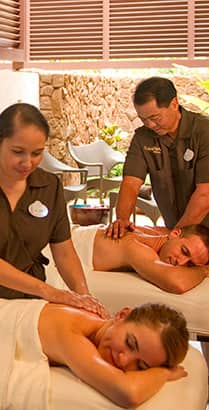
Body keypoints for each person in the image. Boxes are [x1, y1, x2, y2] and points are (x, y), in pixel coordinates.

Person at [0, 102, 107, 318]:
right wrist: (52, 293)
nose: (27, 163)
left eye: (37, 153)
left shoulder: (49, 186)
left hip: (29, 299)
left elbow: (64, 251)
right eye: (18, 152)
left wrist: (85, 299)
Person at [107, 76, 209, 239]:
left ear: (174, 104)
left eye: (155, 118)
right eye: (143, 119)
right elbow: (131, 183)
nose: (150, 125)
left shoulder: (204, 131)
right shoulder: (143, 137)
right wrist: (121, 220)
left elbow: (205, 193)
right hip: (174, 228)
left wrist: (177, 235)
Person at [38, 301, 189, 408]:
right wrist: (164, 373)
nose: (124, 361)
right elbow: (128, 393)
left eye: (141, 365)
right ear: (122, 315)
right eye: (130, 343)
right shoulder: (71, 330)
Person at [71, 223, 209, 293]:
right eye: (184, 251)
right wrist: (203, 271)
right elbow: (177, 283)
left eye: (190, 265)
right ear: (174, 234)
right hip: (56, 250)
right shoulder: (136, 247)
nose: (181, 262)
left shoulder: (157, 233)